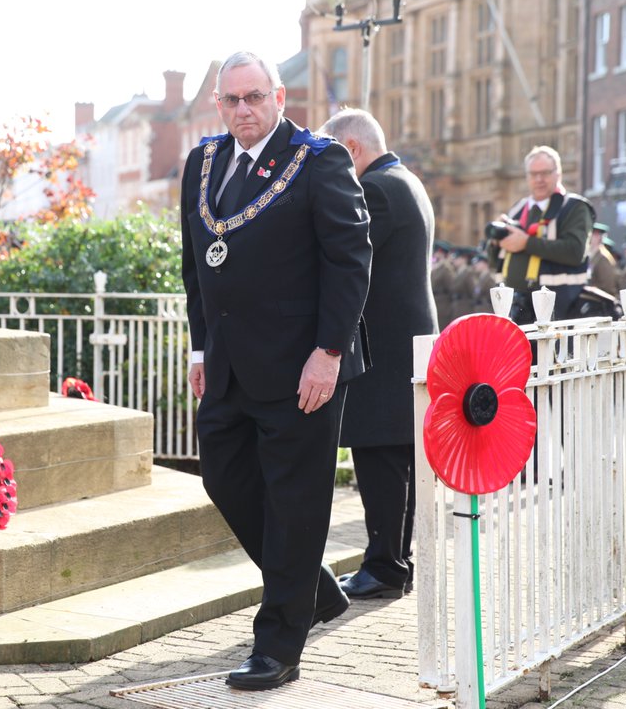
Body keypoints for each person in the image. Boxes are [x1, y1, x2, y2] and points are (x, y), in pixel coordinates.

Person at [180, 52, 372, 691]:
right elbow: (196, 267)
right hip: (230, 366)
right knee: (224, 479)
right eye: (231, 100)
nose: (243, 110)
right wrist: (200, 348)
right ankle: (313, 590)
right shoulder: (203, 164)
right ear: (218, 103)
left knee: (295, 505)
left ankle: (278, 646)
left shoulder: (319, 161)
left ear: (280, 96)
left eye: (254, 97)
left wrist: (330, 352)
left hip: (303, 370)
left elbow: (350, 260)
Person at [319, 108, 437, 602]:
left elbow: (342, 255)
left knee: (380, 459)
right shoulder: (404, 180)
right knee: (396, 460)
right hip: (403, 344)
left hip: (384, 349)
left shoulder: (376, 189)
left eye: (331, 159)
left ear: (351, 150)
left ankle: (385, 566)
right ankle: (393, 562)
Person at [485, 145, 594, 324]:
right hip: (514, 307)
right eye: (533, 174)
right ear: (526, 177)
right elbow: (494, 263)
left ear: (558, 174)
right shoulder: (518, 209)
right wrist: (495, 243)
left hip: (559, 308)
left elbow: (575, 252)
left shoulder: (574, 207)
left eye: (545, 173)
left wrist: (527, 243)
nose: (539, 179)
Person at [589, 222, 621, 298]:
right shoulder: (593, 255)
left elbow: (608, 286)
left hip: (599, 301)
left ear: (599, 237)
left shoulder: (603, 258)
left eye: (593, 235)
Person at [431, 241, 456, 329]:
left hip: (443, 305)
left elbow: (452, 287)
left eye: (438, 252)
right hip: (436, 302)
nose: (436, 254)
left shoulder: (446, 268)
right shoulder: (436, 267)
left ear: (443, 254)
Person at [449, 247, 476, 319]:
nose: (454, 260)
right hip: (456, 307)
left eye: (457, 258)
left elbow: (473, 292)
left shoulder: (468, 273)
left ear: (464, 259)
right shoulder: (458, 272)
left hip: (465, 308)